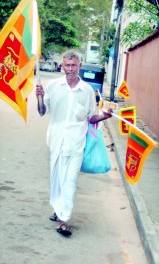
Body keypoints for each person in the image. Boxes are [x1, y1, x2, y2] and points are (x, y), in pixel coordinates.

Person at [36, 50, 112, 237]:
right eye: (67, 65)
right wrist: (39, 97)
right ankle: (58, 208)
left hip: (77, 143)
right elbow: (41, 111)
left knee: (70, 180)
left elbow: (92, 117)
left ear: (80, 66)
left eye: (73, 65)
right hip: (56, 141)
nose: (70, 69)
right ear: (62, 66)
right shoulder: (53, 86)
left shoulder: (87, 91)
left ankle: (64, 220)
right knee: (57, 178)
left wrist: (105, 116)